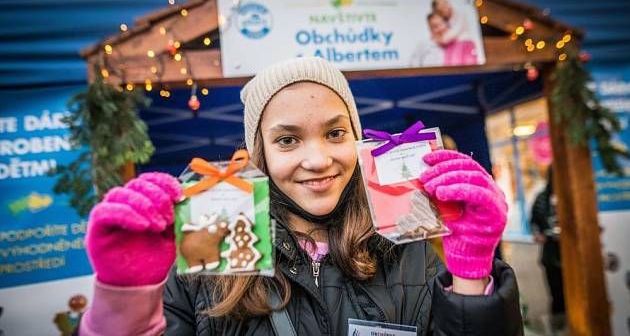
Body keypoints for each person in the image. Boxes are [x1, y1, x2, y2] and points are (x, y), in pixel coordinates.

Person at [78, 57, 523, 335]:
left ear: (356, 136)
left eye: (334, 133)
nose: (318, 159)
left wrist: (470, 272)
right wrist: (126, 298)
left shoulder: (404, 245)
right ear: (260, 155)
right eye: (288, 140)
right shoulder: (206, 253)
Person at [530, 168, 566, 331]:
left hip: (572, 255)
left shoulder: (572, 194)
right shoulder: (542, 198)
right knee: (557, 296)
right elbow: (534, 222)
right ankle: (559, 329)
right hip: (551, 255)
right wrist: (538, 233)